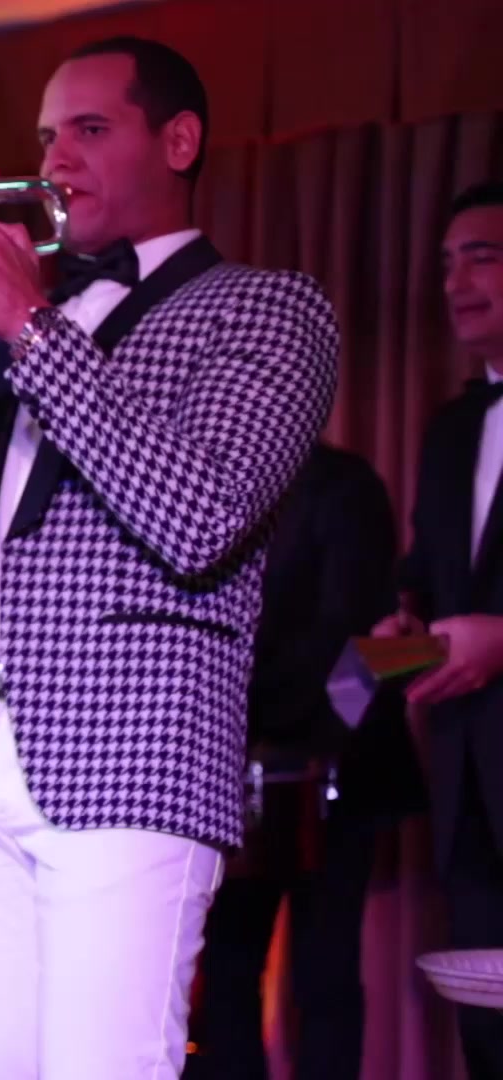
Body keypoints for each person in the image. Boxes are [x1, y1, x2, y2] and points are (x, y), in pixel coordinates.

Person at [0, 36, 338, 1077]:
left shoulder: (270, 308)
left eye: (92, 130)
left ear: (180, 141)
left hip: (134, 760)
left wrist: (28, 321)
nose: (56, 160)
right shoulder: (18, 320)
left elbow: (201, 516)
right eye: (47, 136)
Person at [186, 442, 425, 1078]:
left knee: (324, 974)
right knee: (228, 967)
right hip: (234, 766)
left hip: (337, 762)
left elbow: (353, 641)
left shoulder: (343, 485)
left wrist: (230, 698)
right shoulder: (212, 485)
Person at [371, 179, 503, 1079]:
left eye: (481, 258)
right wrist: (404, 618)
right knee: (487, 1033)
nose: (456, 283)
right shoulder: (453, 428)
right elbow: (426, 567)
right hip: (469, 777)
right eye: (447, 263)